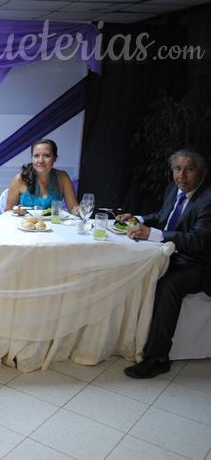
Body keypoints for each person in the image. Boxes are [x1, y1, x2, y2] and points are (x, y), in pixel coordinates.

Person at [119, 149, 211, 378]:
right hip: (173, 253)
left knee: (168, 285)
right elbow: (163, 215)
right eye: (178, 169)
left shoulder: (208, 200)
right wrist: (138, 219)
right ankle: (125, 338)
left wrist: (154, 234)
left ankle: (158, 357)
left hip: (199, 264)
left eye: (189, 169)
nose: (182, 175)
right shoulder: (174, 189)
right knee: (132, 269)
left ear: (202, 172)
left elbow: (198, 241)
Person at [5, 138, 79, 215]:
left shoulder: (63, 177)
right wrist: (16, 211)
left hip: (55, 225)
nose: (40, 161)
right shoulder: (20, 179)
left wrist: (81, 211)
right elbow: (7, 211)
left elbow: (73, 208)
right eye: (36, 156)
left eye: (46, 156)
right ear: (32, 158)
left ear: (55, 158)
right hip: (25, 225)